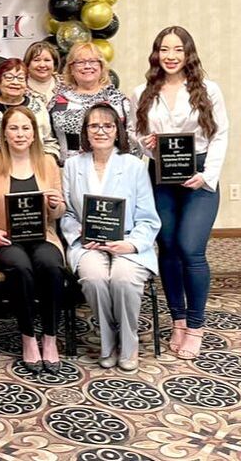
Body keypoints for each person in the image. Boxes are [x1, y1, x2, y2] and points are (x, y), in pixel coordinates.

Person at [128, 26, 228, 360]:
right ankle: (179, 320)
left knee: (190, 248)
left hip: (199, 175)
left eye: (178, 50)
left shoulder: (208, 89)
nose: (171, 56)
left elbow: (221, 135)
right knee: (167, 247)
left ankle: (197, 326)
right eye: (164, 49)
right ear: (156, 53)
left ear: (188, 54)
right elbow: (133, 135)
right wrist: (146, 142)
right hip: (159, 175)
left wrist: (207, 175)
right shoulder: (142, 90)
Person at [61, 103, 161, 371]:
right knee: (93, 278)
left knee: (123, 279)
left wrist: (130, 244)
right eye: (94, 125)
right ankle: (108, 342)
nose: (100, 131)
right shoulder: (72, 165)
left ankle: (128, 344)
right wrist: (80, 233)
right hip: (89, 244)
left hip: (128, 242)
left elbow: (148, 218)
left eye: (107, 125)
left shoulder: (134, 166)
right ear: (85, 131)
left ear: (117, 131)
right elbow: (68, 214)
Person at [0, 107, 66, 373]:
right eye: (13, 128)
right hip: (1, 238)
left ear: (35, 132)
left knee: (50, 265)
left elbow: (58, 212)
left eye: (26, 128)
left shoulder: (47, 161)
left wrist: (55, 204)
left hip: (42, 235)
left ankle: (49, 337)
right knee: (21, 267)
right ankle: (27, 337)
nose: (20, 134)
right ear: (3, 132)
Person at [49, 42, 131, 161]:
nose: (87, 66)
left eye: (93, 61)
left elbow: (131, 142)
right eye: (80, 62)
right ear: (71, 68)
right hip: (68, 173)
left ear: (101, 66)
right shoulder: (58, 102)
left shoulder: (118, 101)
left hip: (112, 172)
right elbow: (48, 141)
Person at [0, 59, 59, 160]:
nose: (15, 82)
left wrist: (46, 161)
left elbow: (49, 142)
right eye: (9, 77)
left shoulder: (38, 106)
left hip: (35, 167)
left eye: (20, 78)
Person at [23, 40, 62, 105]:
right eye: (37, 60)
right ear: (28, 63)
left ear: (54, 64)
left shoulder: (66, 84)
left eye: (47, 60)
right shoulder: (19, 86)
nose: (42, 65)